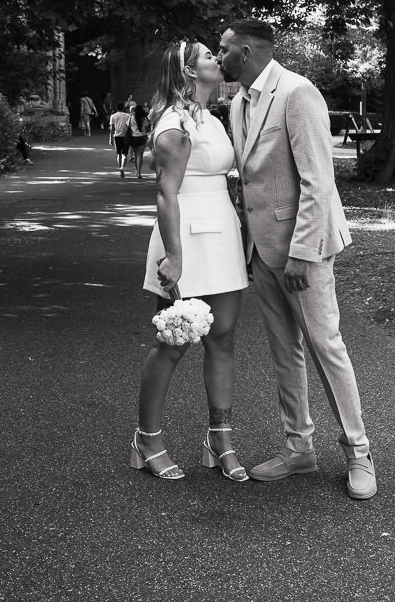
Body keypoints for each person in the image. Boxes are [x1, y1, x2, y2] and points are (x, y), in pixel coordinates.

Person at [218, 19, 375, 501]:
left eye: (223, 49)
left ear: (245, 52)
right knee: (284, 350)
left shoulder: (298, 92)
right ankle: (299, 448)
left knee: (326, 346)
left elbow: (317, 180)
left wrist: (303, 254)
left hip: (301, 251)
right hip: (260, 248)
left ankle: (359, 453)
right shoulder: (239, 102)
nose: (218, 56)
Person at [130, 40, 249, 483]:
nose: (218, 60)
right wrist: (174, 257)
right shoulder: (173, 125)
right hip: (185, 240)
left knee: (222, 339)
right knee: (173, 343)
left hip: (222, 233)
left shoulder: (212, 119)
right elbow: (166, 193)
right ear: (188, 72)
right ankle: (148, 439)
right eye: (208, 56)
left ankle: (219, 440)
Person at [109, 102, 137, 178]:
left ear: (116, 108)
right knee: (125, 154)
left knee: (119, 154)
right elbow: (130, 126)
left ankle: (120, 168)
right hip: (126, 136)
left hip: (117, 136)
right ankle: (122, 167)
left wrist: (110, 139)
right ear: (123, 108)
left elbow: (111, 129)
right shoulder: (128, 115)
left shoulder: (113, 116)